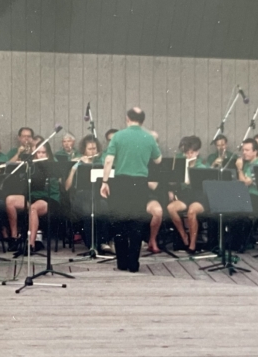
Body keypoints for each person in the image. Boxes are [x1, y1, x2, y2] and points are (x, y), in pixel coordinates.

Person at [99, 107, 162, 272]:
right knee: (136, 222)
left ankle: (122, 263)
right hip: (140, 183)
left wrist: (105, 181)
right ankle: (134, 264)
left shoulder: (118, 136)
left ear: (127, 118)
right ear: (143, 120)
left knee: (119, 221)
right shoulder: (148, 137)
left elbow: (108, 161)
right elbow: (158, 159)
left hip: (121, 182)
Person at [6, 142, 61, 254]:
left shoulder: (52, 165)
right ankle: (14, 238)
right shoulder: (31, 164)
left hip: (49, 197)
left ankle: (30, 245)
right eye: (38, 152)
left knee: (33, 208)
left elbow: (55, 185)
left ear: (48, 153)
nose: (40, 155)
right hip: (33, 196)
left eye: (43, 152)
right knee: (10, 200)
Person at [65, 134, 108, 251]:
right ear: (84, 149)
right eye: (89, 149)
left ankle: (102, 241)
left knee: (104, 207)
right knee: (89, 210)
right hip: (80, 197)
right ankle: (92, 245)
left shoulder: (101, 162)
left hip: (97, 197)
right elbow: (67, 187)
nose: (92, 151)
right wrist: (74, 168)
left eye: (94, 149)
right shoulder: (77, 162)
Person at [165, 136, 207, 254]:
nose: (189, 155)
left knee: (191, 212)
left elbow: (201, 187)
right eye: (187, 153)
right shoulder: (181, 164)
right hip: (185, 195)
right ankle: (183, 236)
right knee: (171, 208)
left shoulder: (201, 166)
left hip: (199, 196)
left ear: (197, 152)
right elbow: (173, 181)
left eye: (192, 153)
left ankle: (192, 244)